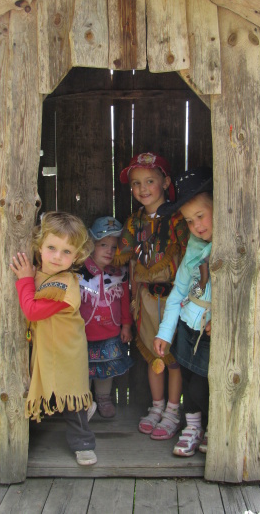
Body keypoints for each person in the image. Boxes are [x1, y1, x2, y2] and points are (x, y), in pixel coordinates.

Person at [10, 211, 98, 466]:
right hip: (47, 348)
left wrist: (24, 280)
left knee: (72, 396)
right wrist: (30, 277)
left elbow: (32, 311)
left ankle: (83, 444)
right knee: (50, 387)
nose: (58, 256)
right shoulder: (41, 273)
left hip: (67, 351)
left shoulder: (64, 284)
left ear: (77, 256)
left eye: (67, 251)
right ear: (39, 246)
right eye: (51, 248)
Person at [115, 152, 189, 440]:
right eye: (136, 183)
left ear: (165, 182)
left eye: (149, 181)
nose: (142, 188)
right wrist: (134, 298)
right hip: (145, 300)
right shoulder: (134, 223)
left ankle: (173, 410)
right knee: (151, 354)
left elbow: (190, 258)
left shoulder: (178, 218)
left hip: (175, 299)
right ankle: (157, 407)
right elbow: (128, 261)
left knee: (173, 358)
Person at [153, 167, 213, 457]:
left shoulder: (230, 247)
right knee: (188, 380)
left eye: (200, 216)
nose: (196, 226)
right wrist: (165, 332)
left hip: (209, 332)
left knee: (203, 385)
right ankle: (192, 428)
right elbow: (178, 292)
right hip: (188, 326)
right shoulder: (194, 247)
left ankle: (213, 427)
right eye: (189, 221)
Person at [79, 216, 134, 418]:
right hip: (83, 334)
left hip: (110, 333)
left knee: (106, 368)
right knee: (83, 369)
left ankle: (103, 398)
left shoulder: (118, 273)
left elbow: (125, 300)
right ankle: (83, 401)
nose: (109, 251)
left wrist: (126, 325)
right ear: (91, 245)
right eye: (103, 245)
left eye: (114, 246)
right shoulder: (80, 273)